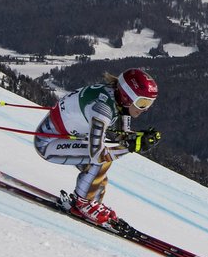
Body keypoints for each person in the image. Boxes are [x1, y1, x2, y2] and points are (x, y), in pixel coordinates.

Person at [33, 68, 162, 225]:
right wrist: (131, 147)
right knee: (102, 162)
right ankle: (84, 204)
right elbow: (98, 155)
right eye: (142, 102)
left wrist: (139, 138)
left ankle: (92, 204)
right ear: (128, 97)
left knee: (98, 176)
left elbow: (122, 135)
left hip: (67, 138)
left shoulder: (117, 99)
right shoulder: (103, 109)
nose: (145, 109)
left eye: (149, 103)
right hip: (47, 144)